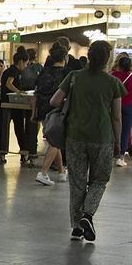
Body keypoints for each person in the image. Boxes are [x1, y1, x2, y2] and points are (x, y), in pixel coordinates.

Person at [51, 40, 124, 242]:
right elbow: (117, 116)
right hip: (102, 138)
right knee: (99, 180)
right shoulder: (113, 83)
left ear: (89, 56)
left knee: (77, 182)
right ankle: (87, 215)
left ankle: (76, 228)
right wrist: (118, 142)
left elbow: (54, 101)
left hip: (75, 137)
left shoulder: (74, 77)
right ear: (107, 59)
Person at [34, 46, 70, 186]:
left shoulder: (43, 72)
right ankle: (42, 172)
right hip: (58, 111)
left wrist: (34, 113)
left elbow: (36, 93)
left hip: (43, 110)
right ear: (65, 57)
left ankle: (61, 172)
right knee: (55, 141)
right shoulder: (67, 73)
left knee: (53, 139)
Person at [1, 53, 34, 165]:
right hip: (12, 103)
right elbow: (8, 84)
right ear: (20, 61)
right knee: (19, 128)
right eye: (25, 63)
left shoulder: (10, 70)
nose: (25, 66)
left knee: (4, 129)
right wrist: (18, 92)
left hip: (6, 103)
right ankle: (24, 152)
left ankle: (0, 153)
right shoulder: (13, 71)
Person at [111, 54, 132, 167]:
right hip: (128, 106)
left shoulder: (112, 75)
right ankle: (120, 157)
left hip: (113, 105)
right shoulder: (131, 77)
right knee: (125, 131)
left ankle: (110, 153)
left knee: (112, 129)